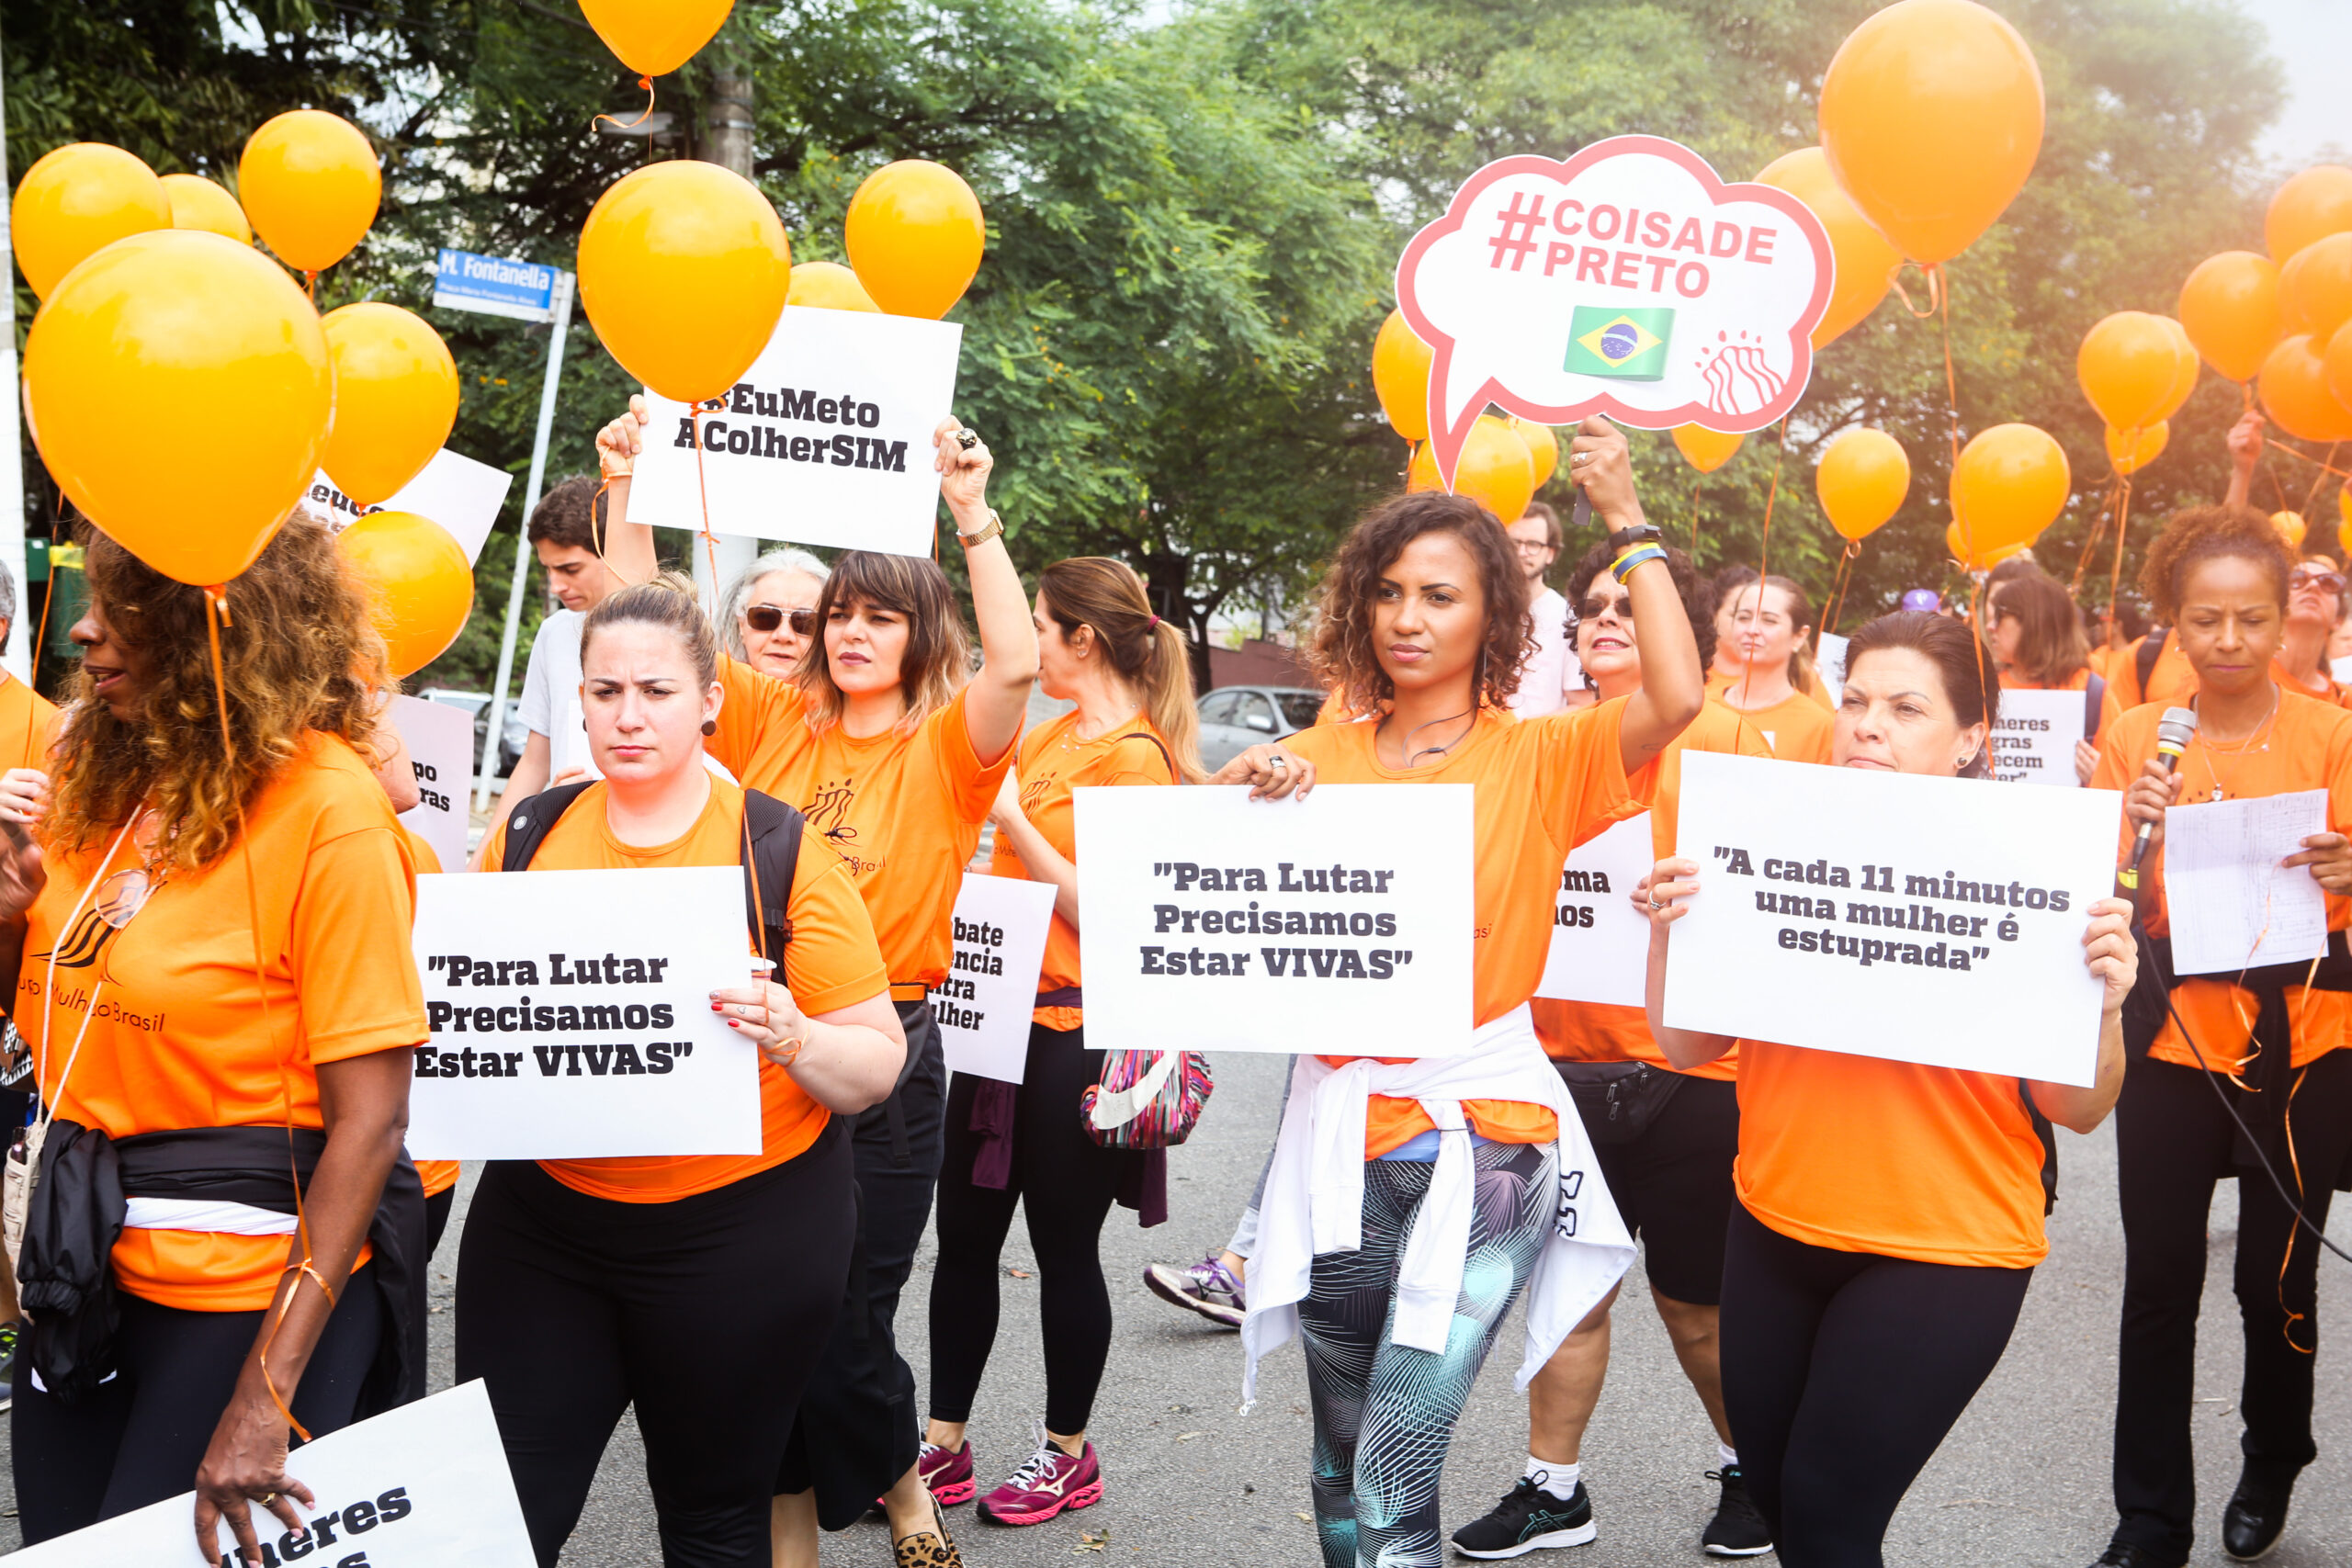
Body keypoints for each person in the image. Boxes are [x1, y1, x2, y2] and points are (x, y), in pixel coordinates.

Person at [1233, 415, 1705, 1568]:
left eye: (1439, 596)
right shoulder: (1318, 755)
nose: (1407, 617)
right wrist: (1242, 786)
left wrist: (1627, 517)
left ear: (1494, 615)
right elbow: (1202, 907)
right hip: (1341, 1134)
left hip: (1492, 1136)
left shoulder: (1544, 755)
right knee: (1337, 1455)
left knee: (1397, 1449)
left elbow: (1680, 694)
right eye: (1389, 591)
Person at [600, 404, 1031, 1566]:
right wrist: (632, 485)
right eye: (842, 613)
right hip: (761, 1047)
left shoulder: (947, 746)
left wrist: (973, 517)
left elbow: (1020, 662)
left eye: (880, 616)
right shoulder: (774, 719)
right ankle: (792, 1536)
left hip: (883, 1049)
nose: (850, 633)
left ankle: (902, 1496)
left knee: (846, 1317)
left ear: (916, 633)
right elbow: (651, 632)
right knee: (766, 1315)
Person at [1643, 609, 2136, 1568]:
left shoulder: (2036, 870)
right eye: (1856, 700)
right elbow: (1688, 1043)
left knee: (1829, 1523)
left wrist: (2106, 1005)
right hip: (1773, 1225)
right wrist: (1672, 930)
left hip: (1943, 1248)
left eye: (1907, 708)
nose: (1868, 723)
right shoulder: (1769, 842)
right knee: (1786, 1511)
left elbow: (2076, 1110)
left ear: (1969, 740)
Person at [457, 575, 905, 1568]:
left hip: (741, 1235)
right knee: (498, 1515)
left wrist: (793, 1033)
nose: (627, 715)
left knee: (711, 1518)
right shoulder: (528, 837)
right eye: (605, 690)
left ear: (710, 701)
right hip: (547, 1227)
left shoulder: (777, 849)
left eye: (656, 692)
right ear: (577, 699)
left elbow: (876, 1065)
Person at [7, 519, 430, 1565]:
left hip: (237, 1291)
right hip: (84, 1266)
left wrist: (265, 1396)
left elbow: (370, 1128)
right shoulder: (112, 781)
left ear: (220, 633)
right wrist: (12, 918)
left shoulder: (332, 810)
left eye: (127, 610)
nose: (91, 636)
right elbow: (51, 1033)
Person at [1453, 538, 1775, 1561]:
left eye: (1629, 608)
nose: (1605, 621)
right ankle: (1554, 1488)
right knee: (1568, 1295)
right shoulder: (1532, 744)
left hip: (1691, 1077)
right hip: (1557, 1071)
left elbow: (1779, 906)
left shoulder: (1728, 745)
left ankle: (1751, 1472)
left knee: (1698, 1316)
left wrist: (1696, 906)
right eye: (1591, 607)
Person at [2085, 505, 2352, 1568]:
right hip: (2171, 1050)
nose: (2232, 641)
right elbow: (2089, 898)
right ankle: (2150, 1516)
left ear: (2288, 614)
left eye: (2252, 618)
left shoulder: (2334, 733)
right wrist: (2131, 825)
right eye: (2208, 621)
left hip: (2308, 1043)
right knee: (2158, 1284)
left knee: (2273, 1281)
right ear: (2173, 623)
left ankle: (2274, 1455)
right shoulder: (2136, 735)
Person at [921, 555, 1197, 1527]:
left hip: (1077, 1030)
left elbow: (1121, 916)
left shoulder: (1133, 755)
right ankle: (942, 1444)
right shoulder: (1042, 738)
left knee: (1063, 1250)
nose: (1028, 642)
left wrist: (1010, 823)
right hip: (998, 1020)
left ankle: (1066, 1453)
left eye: (1039, 625)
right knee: (962, 1241)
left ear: (1082, 637)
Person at [476, 411, 661, 853]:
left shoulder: (669, 631)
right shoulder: (554, 633)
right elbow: (535, 761)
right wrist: (485, 856)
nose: (557, 585)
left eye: (570, 568)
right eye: (549, 571)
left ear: (605, 544)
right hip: (566, 842)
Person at [1987, 566, 2121, 784]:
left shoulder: (2093, 693)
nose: (1990, 626)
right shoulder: (1982, 685)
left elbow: (2121, 784)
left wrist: (2102, 776)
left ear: (2034, 622)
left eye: (2000, 617)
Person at [1712, 577, 1834, 761]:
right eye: (1744, 618)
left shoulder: (1820, 726)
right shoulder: (1701, 707)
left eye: (1769, 621)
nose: (1752, 630)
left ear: (1799, 637)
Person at [1505, 501, 1588, 716]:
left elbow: (1582, 705)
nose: (1522, 552)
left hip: (1536, 745)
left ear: (1550, 553)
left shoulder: (1568, 618)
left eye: (1533, 544)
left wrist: (1527, 736)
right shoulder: (1482, 610)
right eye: (1514, 542)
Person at [721, 546, 830, 678]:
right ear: (741, 624)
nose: (783, 636)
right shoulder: (707, 694)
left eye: (804, 622)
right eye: (765, 618)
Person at [2272, 551, 2346, 705]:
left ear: (2339, 620)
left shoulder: (2344, 700)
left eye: (2329, 583)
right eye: (2298, 579)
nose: (2313, 586)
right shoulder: (2244, 674)